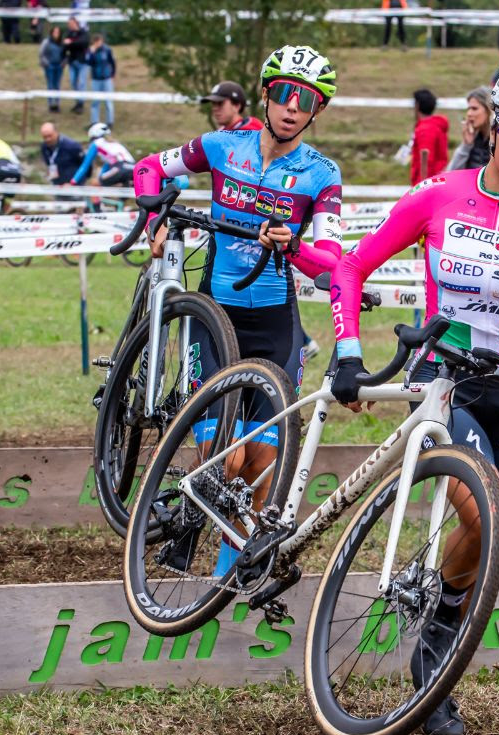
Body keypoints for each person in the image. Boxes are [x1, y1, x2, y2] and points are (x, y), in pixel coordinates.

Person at [330, 61, 499, 735]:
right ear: (495, 128)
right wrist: (349, 351)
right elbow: (352, 267)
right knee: (484, 514)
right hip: (449, 379)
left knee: (496, 527)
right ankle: (439, 656)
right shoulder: (437, 195)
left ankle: (436, 637)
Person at [132, 45, 344, 570]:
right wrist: (153, 218)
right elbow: (148, 169)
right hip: (217, 318)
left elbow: (331, 263)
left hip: (276, 327)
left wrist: (292, 247)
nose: (293, 108)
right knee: (225, 456)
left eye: (307, 101)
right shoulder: (223, 147)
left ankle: (228, 582)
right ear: (268, 94)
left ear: (316, 111)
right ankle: (188, 522)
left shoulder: (322, 174)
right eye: (286, 95)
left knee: (261, 466)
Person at [71, 123, 134, 188]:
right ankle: (124, 189)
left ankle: (100, 197)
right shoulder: (115, 143)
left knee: (95, 183)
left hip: (119, 168)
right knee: (122, 188)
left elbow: (85, 166)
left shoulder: (96, 143)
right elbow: (107, 166)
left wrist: (73, 181)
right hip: (133, 168)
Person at [446, 86, 493, 171]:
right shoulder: (474, 138)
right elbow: (451, 173)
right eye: (468, 109)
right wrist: (466, 145)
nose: (469, 114)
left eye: (474, 108)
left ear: (489, 110)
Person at [411, 88, 449, 184]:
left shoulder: (425, 129)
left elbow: (426, 162)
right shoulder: (434, 125)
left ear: (417, 105)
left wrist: (419, 188)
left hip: (427, 184)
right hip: (436, 179)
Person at [200, 81, 264, 132]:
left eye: (220, 103)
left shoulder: (253, 131)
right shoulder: (221, 131)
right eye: (213, 103)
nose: (215, 108)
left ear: (237, 106)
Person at [40, 122, 85, 186]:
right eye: (45, 137)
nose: (48, 139)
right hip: (58, 186)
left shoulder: (72, 146)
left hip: (75, 187)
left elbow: (85, 165)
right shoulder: (44, 147)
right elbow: (49, 164)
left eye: (50, 136)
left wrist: (74, 183)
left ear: (56, 132)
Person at [62, 16, 90, 114]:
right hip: (72, 62)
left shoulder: (83, 32)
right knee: (73, 83)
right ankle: (77, 102)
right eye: (68, 24)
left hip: (82, 62)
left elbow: (83, 43)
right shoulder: (68, 34)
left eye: (71, 23)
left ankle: (81, 104)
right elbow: (64, 45)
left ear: (76, 23)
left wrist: (71, 43)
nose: (70, 25)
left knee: (82, 83)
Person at [87, 33, 117, 126]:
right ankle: (94, 122)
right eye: (96, 42)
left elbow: (112, 62)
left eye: (99, 41)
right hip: (96, 79)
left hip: (106, 78)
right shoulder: (91, 51)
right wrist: (91, 53)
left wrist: (112, 74)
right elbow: (89, 62)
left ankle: (110, 122)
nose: (98, 43)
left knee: (108, 101)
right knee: (95, 101)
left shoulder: (107, 50)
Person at [39, 25, 66, 113]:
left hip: (59, 67)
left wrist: (63, 63)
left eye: (58, 32)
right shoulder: (46, 42)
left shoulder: (62, 43)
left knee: (57, 85)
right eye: (54, 32)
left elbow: (66, 54)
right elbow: (41, 54)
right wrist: (47, 64)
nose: (56, 34)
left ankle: (57, 104)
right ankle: (50, 104)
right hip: (49, 66)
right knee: (50, 85)